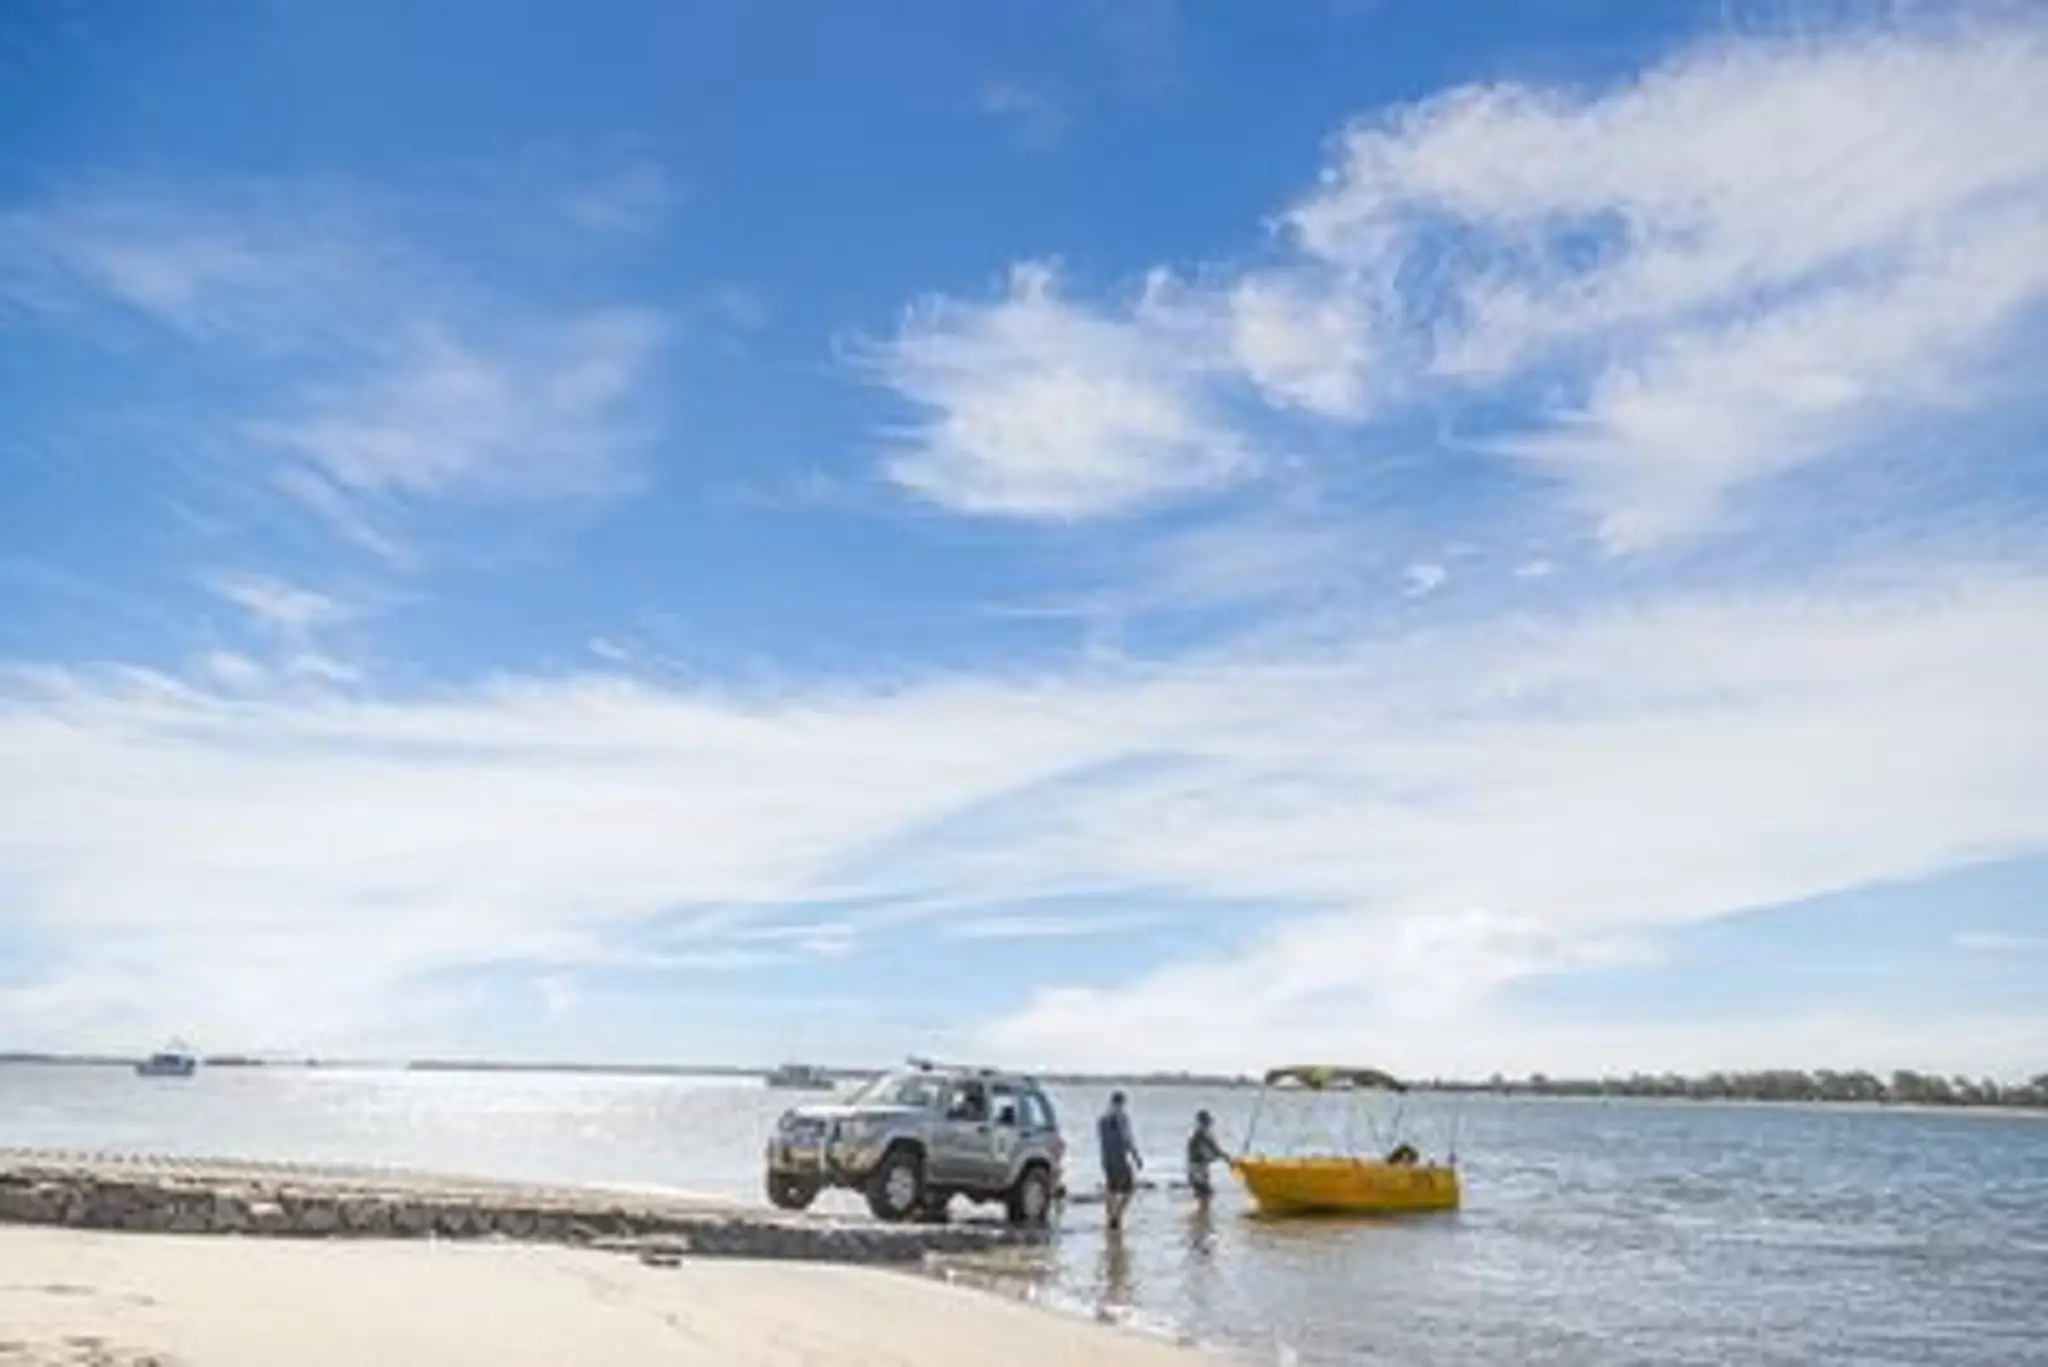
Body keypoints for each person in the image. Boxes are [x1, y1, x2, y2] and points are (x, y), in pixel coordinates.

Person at [1097, 1091, 1142, 1231]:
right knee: (1129, 1189)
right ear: (1122, 1102)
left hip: (1106, 1158)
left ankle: (1110, 1218)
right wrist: (1136, 1156)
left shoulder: (1103, 1119)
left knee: (1112, 1189)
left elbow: (1103, 1140)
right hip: (1120, 1158)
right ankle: (1117, 1216)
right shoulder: (1121, 1117)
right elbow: (1126, 1139)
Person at [1185, 1109, 1228, 1207]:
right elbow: (1213, 1149)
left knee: (1203, 1195)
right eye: (1207, 1122)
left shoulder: (1200, 1134)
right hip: (1197, 1169)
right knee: (1204, 1194)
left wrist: (1219, 1156)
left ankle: (1199, 1216)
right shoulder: (1201, 1135)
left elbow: (1212, 1151)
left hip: (1199, 1168)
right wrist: (1224, 1157)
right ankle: (1199, 1217)